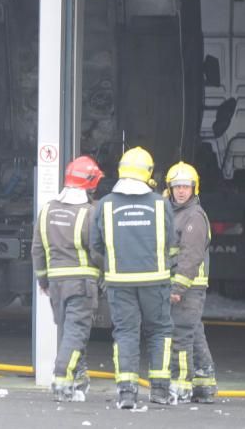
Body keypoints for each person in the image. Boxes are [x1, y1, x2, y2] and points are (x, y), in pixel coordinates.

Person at [90, 146, 175, 409]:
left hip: (119, 282)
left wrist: (115, 264)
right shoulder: (161, 205)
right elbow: (171, 243)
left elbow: (95, 246)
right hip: (156, 281)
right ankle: (160, 391)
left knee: (125, 333)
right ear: (149, 173)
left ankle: (127, 393)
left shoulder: (105, 205)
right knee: (160, 332)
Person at [31, 155, 105, 402]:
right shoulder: (90, 213)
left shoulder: (47, 210)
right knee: (76, 333)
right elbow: (96, 251)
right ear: (91, 184)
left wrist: (43, 281)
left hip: (56, 285)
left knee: (70, 332)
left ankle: (79, 378)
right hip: (82, 284)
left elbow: (37, 250)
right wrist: (107, 273)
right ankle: (62, 378)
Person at [165, 161, 217, 404]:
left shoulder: (194, 216)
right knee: (194, 332)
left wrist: (178, 287)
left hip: (189, 286)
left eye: (186, 186)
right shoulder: (173, 212)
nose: (181, 190)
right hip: (183, 285)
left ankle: (181, 386)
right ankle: (204, 386)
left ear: (194, 188)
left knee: (181, 336)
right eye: (177, 186)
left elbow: (190, 255)